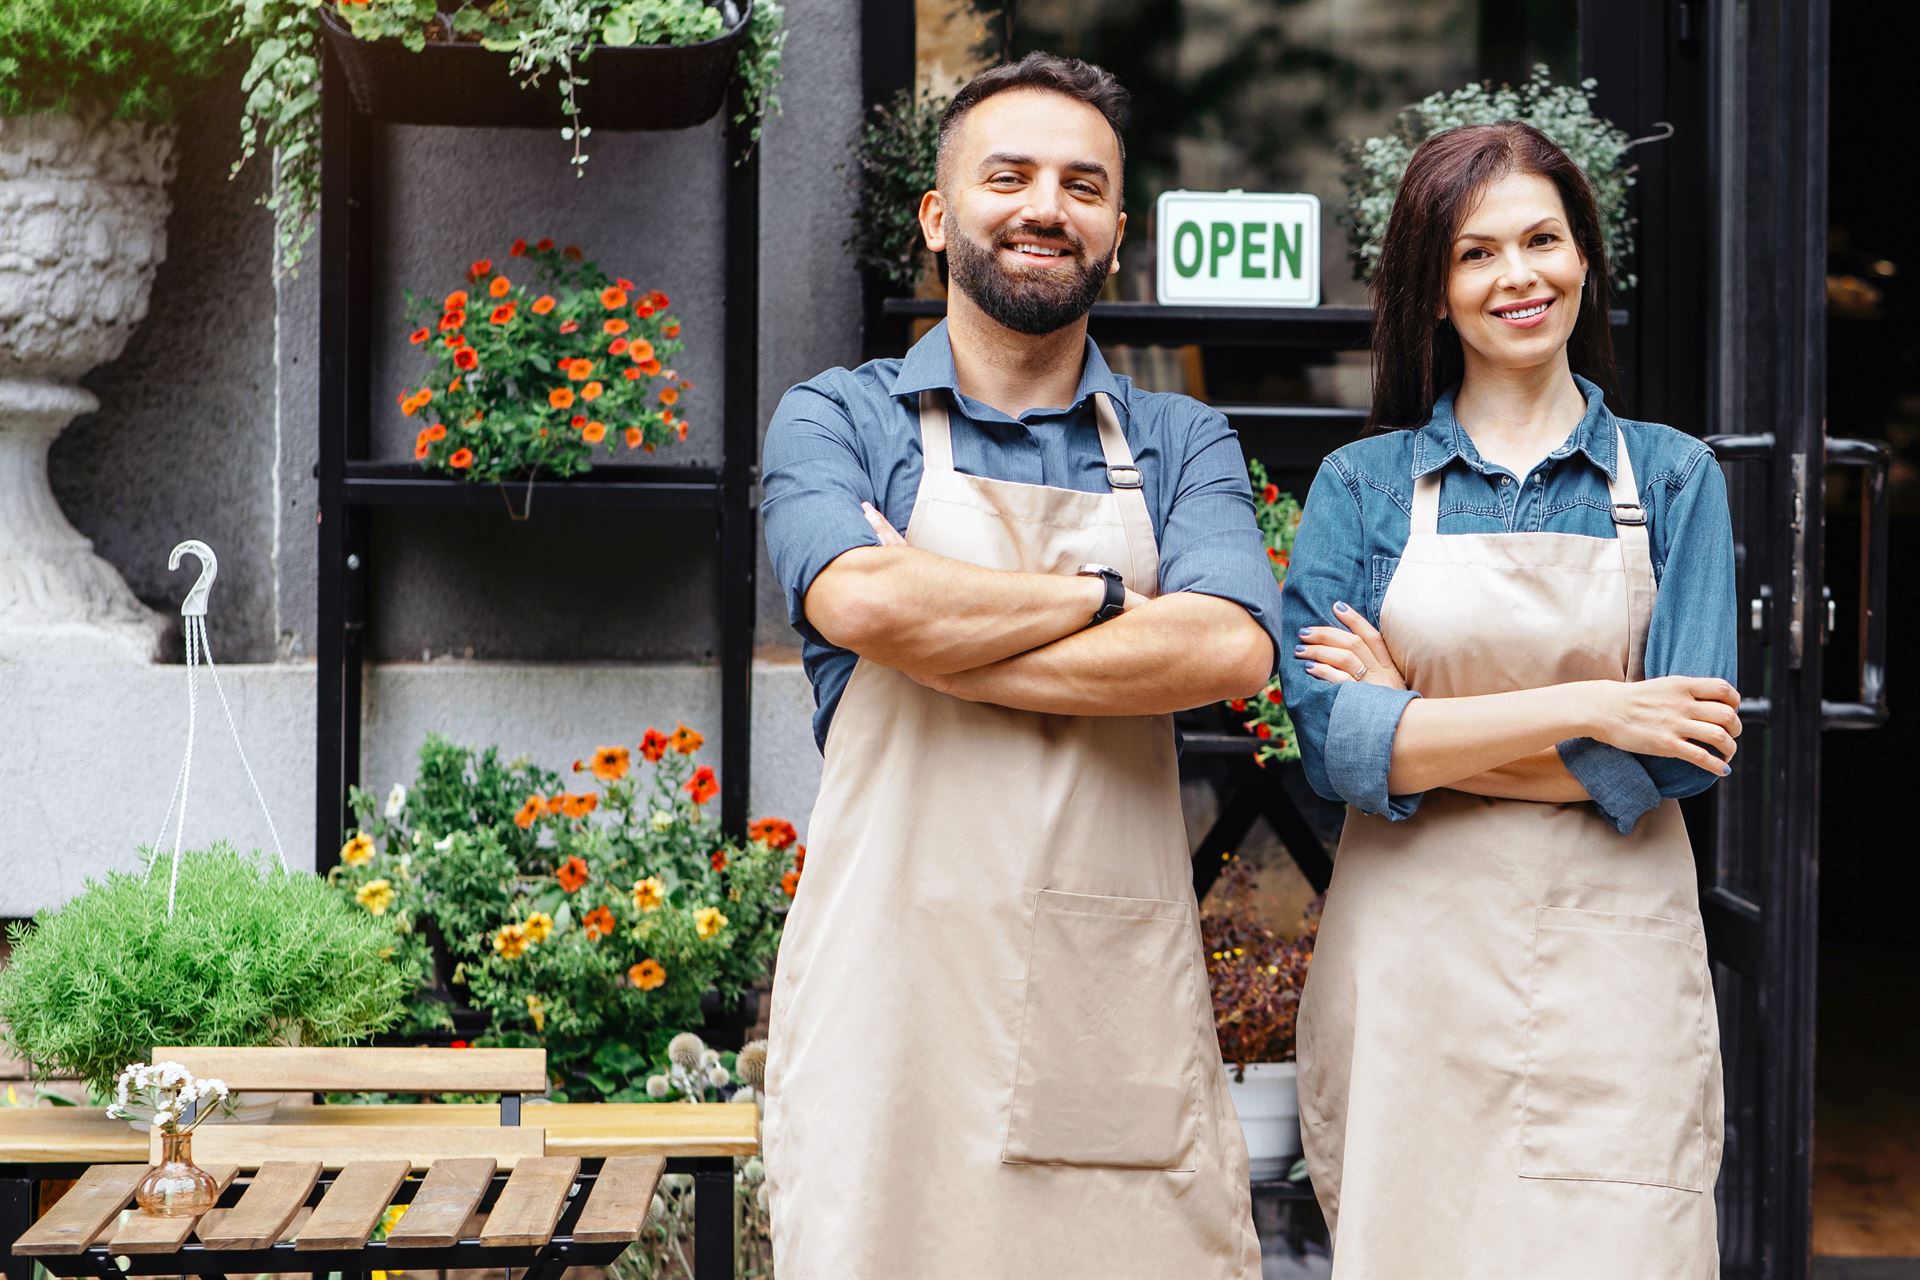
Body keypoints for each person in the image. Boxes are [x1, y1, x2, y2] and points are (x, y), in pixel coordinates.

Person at [759, 51, 1276, 1280]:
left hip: (1108, 1005)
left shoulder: (1179, 435)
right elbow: (858, 594)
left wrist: (948, 638)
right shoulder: (838, 416)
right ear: (940, 218)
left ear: (1115, 231)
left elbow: (1231, 644)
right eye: (1010, 175)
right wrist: (1106, 598)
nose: (1046, 205)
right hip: (891, 1015)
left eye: (1081, 184)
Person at [1278, 121, 1739, 1276]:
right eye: (1477, 253)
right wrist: (1592, 709)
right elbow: (1337, 748)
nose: (1518, 276)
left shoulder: (1677, 478)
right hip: (1412, 974)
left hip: (1613, 962)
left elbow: (1674, 759)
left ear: (1584, 257)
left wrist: (1419, 735)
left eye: (1543, 238)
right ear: (1434, 291)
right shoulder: (1362, 488)